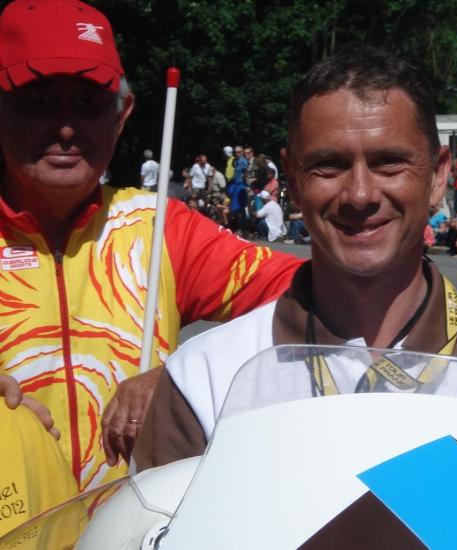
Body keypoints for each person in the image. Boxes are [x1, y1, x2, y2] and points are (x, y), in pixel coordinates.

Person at [134, 45, 457, 469]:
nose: (360, 195)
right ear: (292, 179)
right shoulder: (202, 380)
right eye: (329, 165)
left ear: (439, 174)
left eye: (389, 163)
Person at [0, 0, 301, 491]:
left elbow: (312, 296)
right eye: (38, 101)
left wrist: (185, 373)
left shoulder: (160, 227)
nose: (67, 127)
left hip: (134, 532)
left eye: (89, 103)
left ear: (121, 115)